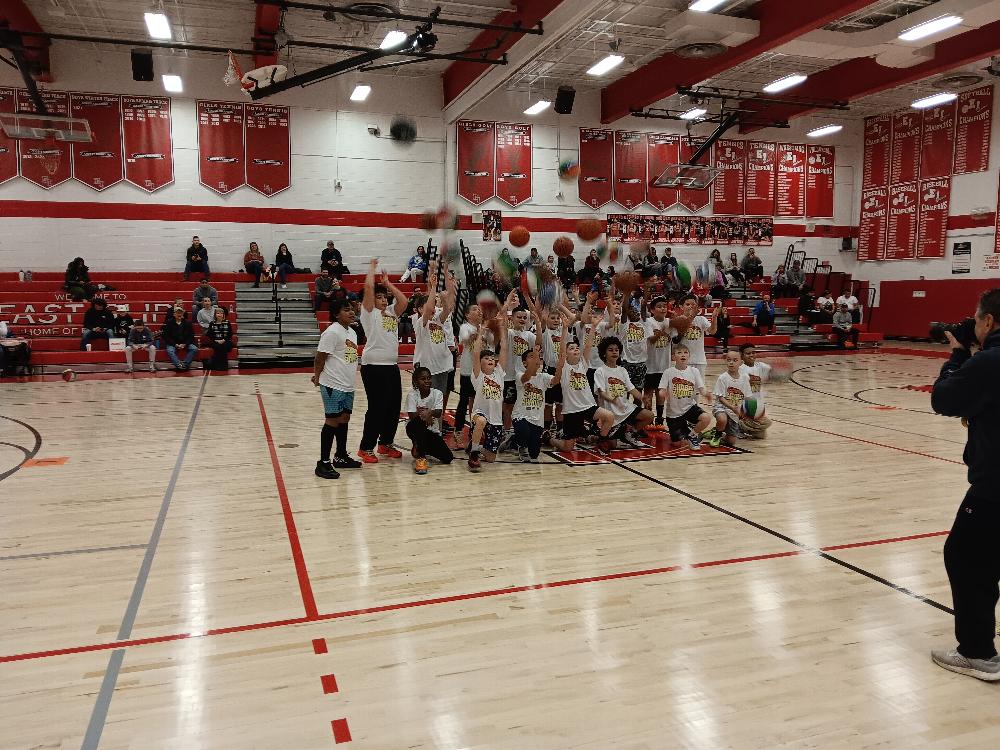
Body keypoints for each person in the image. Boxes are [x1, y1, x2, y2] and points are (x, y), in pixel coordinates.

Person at [929, 288, 1000, 682]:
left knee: (965, 558)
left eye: (976, 318)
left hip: (994, 486)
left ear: (988, 321)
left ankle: (977, 653)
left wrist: (957, 356)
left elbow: (943, 398)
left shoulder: (989, 362)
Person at [357, 259, 409, 464]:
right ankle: (365, 447)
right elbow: (369, 289)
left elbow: (404, 301)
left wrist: (388, 285)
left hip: (391, 366)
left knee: (393, 407)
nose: (384, 300)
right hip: (373, 367)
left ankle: (385, 443)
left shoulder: (391, 313)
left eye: (385, 297)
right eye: (379, 297)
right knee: (377, 408)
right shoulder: (369, 313)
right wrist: (371, 269)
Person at [312, 299, 364, 478]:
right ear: (336, 314)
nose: (351, 312)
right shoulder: (332, 332)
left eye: (352, 309)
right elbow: (320, 358)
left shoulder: (352, 332)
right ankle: (323, 463)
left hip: (348, 384)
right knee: (332, 421)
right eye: (346, 310)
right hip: (333, 384)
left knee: (344, 418)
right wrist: (317, 377)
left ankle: (341, 456)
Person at [549, 332, 614, 453]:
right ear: (566, 354)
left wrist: (593, 326)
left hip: (588, 406)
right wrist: (565, 328)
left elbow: (588, 345)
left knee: (609, 416)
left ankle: (601, 442)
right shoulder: (564, 367)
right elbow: (561, 352)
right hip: (572, 411)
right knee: (567, 448)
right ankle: (550, 439)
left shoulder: (583, 364)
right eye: (571, 348)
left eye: (577, 348)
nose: (575, 349)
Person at [468, 304, 512, 471]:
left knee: (491, 459)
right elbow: (476, 353)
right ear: (480, 363)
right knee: (481, 421)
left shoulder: (499, 373)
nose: (491, 360)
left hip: (496, 420)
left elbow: (504, 349)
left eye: (492, 359)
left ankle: (476, 446)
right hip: (479, 415)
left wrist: (502, 329)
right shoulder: (478, 375)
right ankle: (473, 453)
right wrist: (481, 332)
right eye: (487, 359)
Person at [593, 336, 653, 452]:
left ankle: (629, 433)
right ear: (604, 353)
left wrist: (643, 398)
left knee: (649, 416)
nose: (614, 352)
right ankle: (594, 435)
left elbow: (632, 389)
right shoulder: (600, 371)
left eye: (616, 350)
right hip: (611, 413)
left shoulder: (622, 370)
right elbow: (601, 392)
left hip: (625, 409)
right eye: (610, 350)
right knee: (612, 445)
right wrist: (611, 399)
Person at [657, 343, 713, 449]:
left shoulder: (694, 371)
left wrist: (706, 394)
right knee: (676, 444)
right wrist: (663, 393)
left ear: (689, 356)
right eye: (679, 353)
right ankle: (685, 430)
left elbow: (701, 388)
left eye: (685, 352)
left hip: (689, 408)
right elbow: (661, 389)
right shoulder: (668, 372)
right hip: (673, 413)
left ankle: (692, 435)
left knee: (706, 418)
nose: (683, 354)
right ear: (673, 357)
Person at [513, 338, 560, 463]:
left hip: (537, 421)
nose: (536, 359)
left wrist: (561, 362)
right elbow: (527, 376)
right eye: (531, 357)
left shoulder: (543, 377)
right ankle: (521, 445)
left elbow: (556, 380)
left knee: (534, 454)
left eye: (538, 357)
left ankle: (513, 441)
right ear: (524, 363)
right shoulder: (519, 375)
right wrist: (536, 353)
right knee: (524, 431)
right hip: (521, 416)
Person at [405, 367, 453, 474]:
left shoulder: (437, 393)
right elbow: (412, 416)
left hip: (431, 430)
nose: (427, 381)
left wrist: (429, 413)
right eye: (423, 379)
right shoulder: (412, 395)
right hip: (413, 428)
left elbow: (439, 412)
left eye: (429, 378)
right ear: (416, 381)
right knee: (420, 423)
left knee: (448, 458)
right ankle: (421, 458)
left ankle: (420, 446)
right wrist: (425, 416)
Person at [502, 303, 537, 434]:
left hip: (524, 376)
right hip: (509, 376)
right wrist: (508, 304)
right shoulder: (509, 333)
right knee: (508, 405)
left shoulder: (529, 335)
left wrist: (539, 323)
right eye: (519, 317)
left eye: (524, 317)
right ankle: (506, 431)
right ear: (512, 318)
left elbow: (539, 343)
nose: (522, 319)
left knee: (522, 404)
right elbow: (503, 325)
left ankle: (519, 430)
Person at [454, 303, 485, 446]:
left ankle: (476, 429)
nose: (478, 311)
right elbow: (467, 339)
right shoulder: (465, 327)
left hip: (481, 372)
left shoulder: (485, 328)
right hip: (467, 371)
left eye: (479, 309)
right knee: (464, 401)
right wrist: (480, 331)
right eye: (475, 309)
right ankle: (458, 430)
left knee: (479, 402)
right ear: (467, 315)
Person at [711, 350, 752, 447]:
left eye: (735, 360)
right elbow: (721, 398)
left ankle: (717, 432)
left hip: (735, 411)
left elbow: (747, 397)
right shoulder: (722, 378)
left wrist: (746, 412)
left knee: (731, 442)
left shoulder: (745, 378)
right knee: (722, 419)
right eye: (729, 360)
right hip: (722, 406)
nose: (731, 362)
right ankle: (717, 435)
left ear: (741, 362)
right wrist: (732, 407)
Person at [674, 294, 719, 378]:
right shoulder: (677, 320)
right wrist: (692, 316)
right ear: (681, 307)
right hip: (683, 360)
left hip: (699, 360)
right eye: (688, 304)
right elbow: (676, 339)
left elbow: (712, 331)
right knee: (685, 385)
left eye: (693, 304)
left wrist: (714, 318)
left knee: (699, 385)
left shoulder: (701, 319)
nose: (691, 306)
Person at [738, 343, 773, 439]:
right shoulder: (739, 369)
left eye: (753, 352)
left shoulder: (761, 366)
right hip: (745, 404)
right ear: (741, 355)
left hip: (759, 403)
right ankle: (737, 425)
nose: (751, 355)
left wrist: (779, 374)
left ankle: (743, 427)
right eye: (748, 353)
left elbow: (772, 373)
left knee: (761, 436)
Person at [162, 306, 197, 370]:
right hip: (173, 343)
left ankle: (185, 364)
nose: (179, 314)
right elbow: (166, 336)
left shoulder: (188, 323)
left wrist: (185, 344)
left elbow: (191, 336)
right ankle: (178, 365)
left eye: (180, 313)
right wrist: (175, 344)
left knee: (194, 348)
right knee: (170, 350)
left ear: (183, 314)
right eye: (177, 313)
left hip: (184, 343)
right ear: (174, 314)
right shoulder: (169, 323)